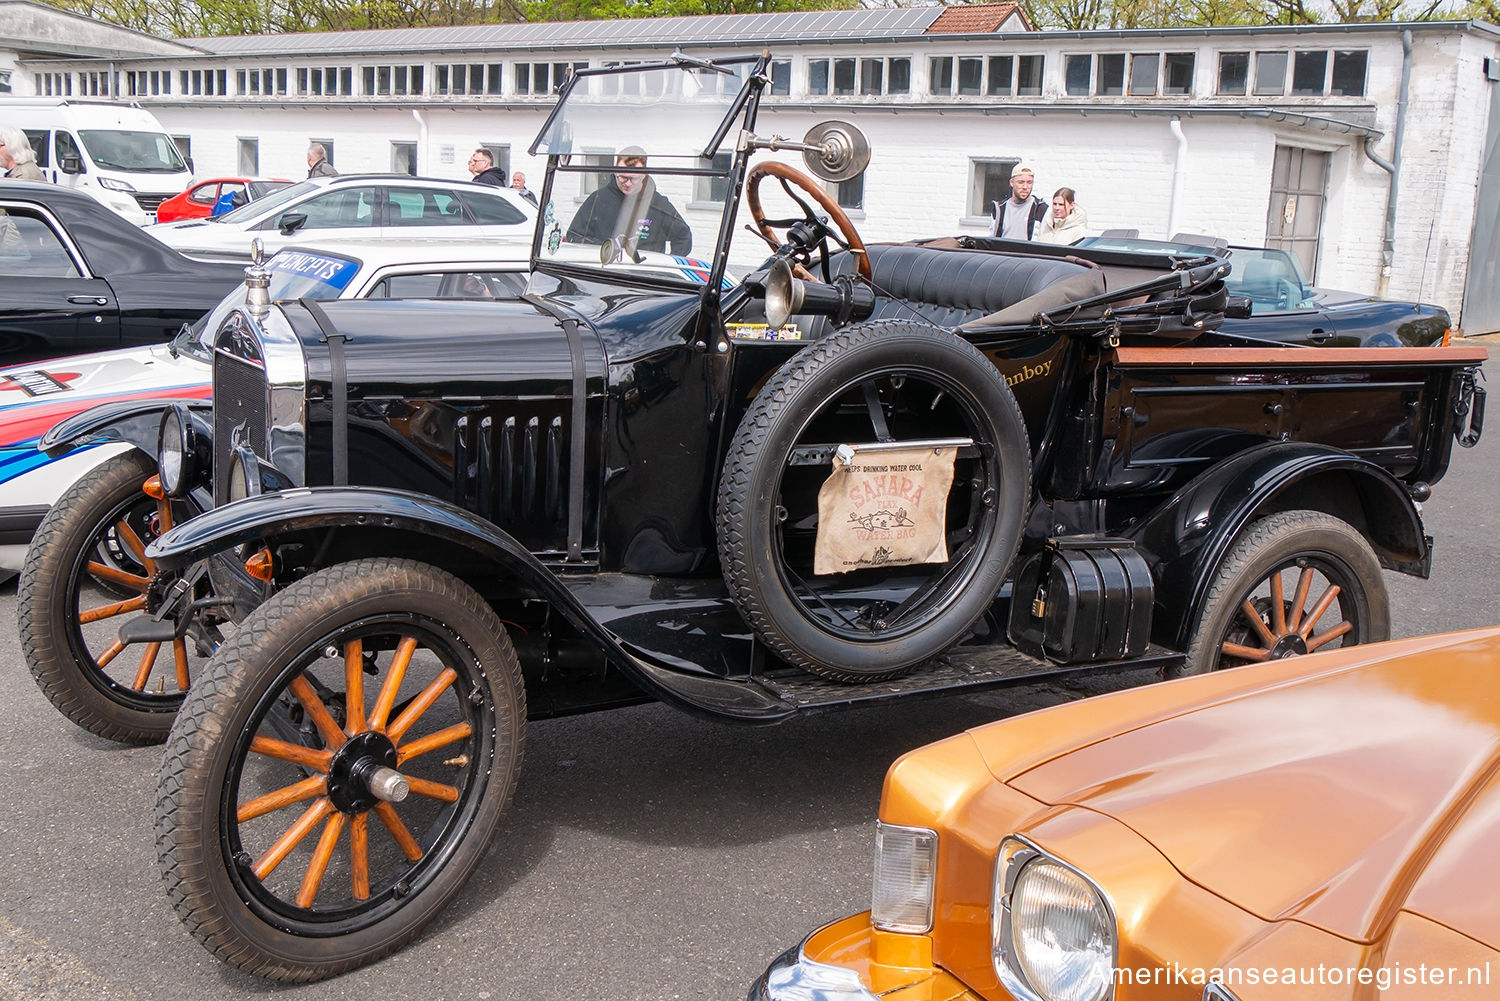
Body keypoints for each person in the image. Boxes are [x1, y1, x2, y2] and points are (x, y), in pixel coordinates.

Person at [565, 147, 691, 256]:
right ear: (615, 170)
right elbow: (574, 235)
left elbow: (684, 237)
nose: (628, 183)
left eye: (633, 179)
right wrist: (604, 249)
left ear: (644, 175)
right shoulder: (597, 199)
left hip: (644, 278)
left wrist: (666, 267)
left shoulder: (658, 204)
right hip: (603, 273)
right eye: (622, 177)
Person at [990, 164, 1047, 241]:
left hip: (1028, 253)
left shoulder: (1040, 209)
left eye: (1029, 182)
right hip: (1003, 252)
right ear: (1011, 182)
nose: (1025, 187)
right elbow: (992, 238)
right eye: (1021, 182)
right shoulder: (999, 209)